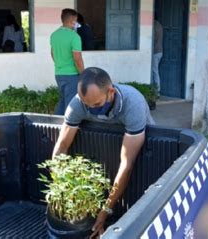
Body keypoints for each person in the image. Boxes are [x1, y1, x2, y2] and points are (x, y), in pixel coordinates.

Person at [51, 67, 155, 238]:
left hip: (139, 152)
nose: (91, 109)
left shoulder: (132, 104)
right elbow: (62, 146)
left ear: (111, 92)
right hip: (105, 156)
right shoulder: (78, 103)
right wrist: (60, 188)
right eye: (87, 105)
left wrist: (105, 210)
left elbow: (127, 164)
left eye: (97, 105)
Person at [50, 9, 85, 115]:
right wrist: (83, 74)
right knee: (71, 105)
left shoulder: (54, 35)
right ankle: (69, 128)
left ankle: (55, 126)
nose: (77, 24)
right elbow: (77, 59)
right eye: (76, 21)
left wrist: (60, 65)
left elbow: (52, 53)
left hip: (59, 73)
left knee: (62, 101)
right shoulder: (75, 37)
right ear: (72, 21)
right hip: (72, 75)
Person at [152, 20, 163, 96]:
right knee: (155, 71)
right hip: (160, 51)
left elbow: (153, 39)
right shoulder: (160, 25)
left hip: (155, 52)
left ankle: (157, 91)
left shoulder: (154, 26)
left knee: (154, 72)